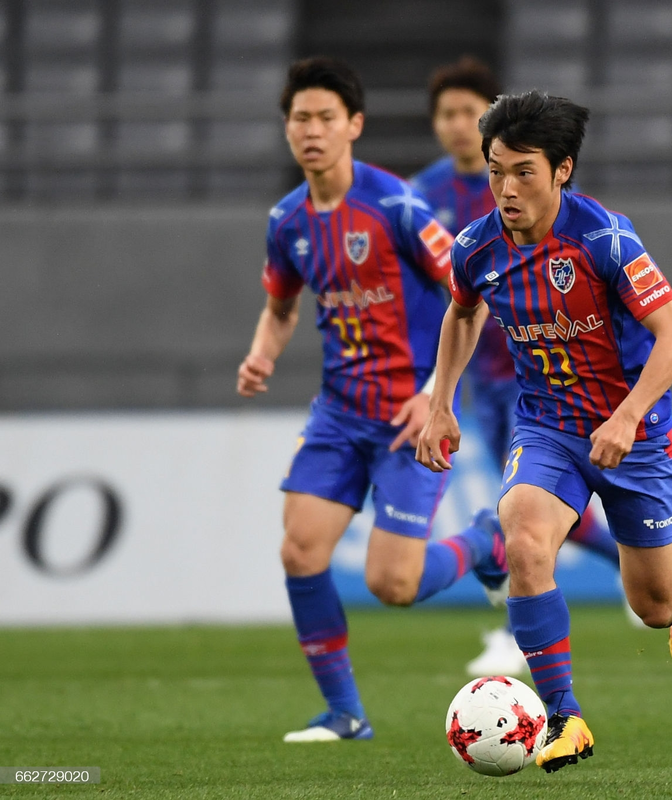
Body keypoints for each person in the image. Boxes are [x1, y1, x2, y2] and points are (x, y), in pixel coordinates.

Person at [416, 90, 672, 773]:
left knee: (655, 605)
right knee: (522, 537)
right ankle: (564, 716)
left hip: (631, 436)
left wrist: (629, 414)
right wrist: (441, 402)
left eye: (524, 171)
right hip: (547, 428)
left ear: (561, 170)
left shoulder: (605, 238)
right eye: (495, 170)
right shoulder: (476, 245)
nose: (506, 188)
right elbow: (462, 314)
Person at [237, 57, 508, 743]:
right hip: (337, 412)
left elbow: (468, 294)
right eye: (301, 118)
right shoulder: (286, 221)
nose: (313, 131)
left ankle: (486, 541)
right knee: (300, 551)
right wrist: (262, 353)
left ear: (354, 125)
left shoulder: (396, 207)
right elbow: (279, 307)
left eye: (327, 117)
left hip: (411, 414)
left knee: (395, 585)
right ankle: (345, 714)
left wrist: (434, 394)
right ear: (287, 129)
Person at [411, 58, 630, 677]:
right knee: (528, 510)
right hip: (487, 378)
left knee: (518, 512)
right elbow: (445, 300)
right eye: (446, 114)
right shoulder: (423, 196)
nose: (457, 125)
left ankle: (508, 591)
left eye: (467, 112)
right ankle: (555, 587)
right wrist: (436, 392)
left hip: (560, 378)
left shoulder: (550, 202)